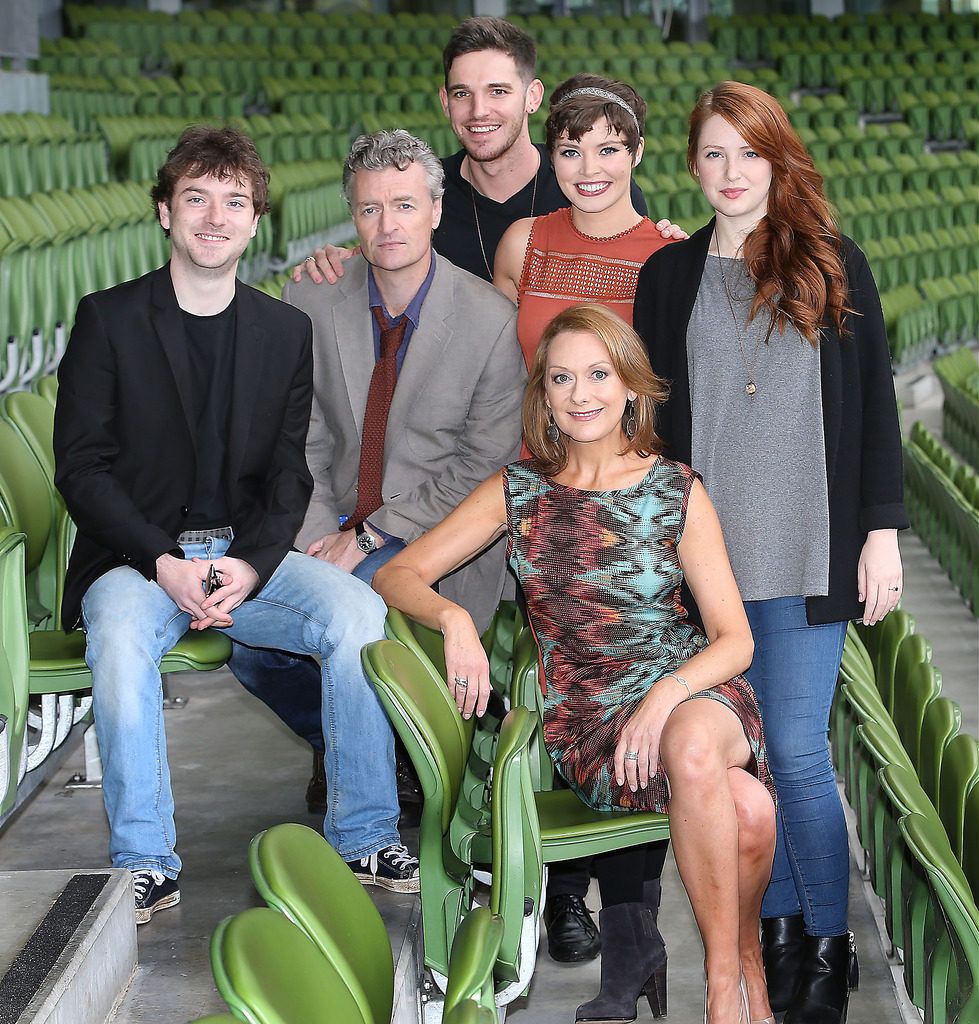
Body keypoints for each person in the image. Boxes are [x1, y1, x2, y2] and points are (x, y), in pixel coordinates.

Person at [53, 126, 418, 924]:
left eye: (234, 201)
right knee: (116, 638)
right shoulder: (106, 320)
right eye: (196, 198)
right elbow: (82, 469)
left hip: (248, 558)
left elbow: (290, 471)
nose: (214, 217)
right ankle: (145, 861)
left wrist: (250, 565)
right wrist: (160, 562)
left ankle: (364, 834)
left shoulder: (284, 330)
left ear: (256, 220)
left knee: (357, 611)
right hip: (136, 559)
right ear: (163, 211)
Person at [374, 304, 779, 1024]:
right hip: (590, 723)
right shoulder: (519, 492)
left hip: (694, 692)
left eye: (598, 374)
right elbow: (398, 574)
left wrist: (661, 702)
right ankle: (747, 968)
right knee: (744, 806)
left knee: (689, 747)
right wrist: (453, 617)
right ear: (545, 396)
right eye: (562, 378)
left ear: (630, 387)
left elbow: (733, 640)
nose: (581, 392)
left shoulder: (674, 488)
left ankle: (719, 991)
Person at [633, 81, 907, 1024]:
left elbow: (874, 404)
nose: (729, 173)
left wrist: (879, 530)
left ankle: (825, 953)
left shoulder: (833, 263)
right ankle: (779, 937)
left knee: (792, 755)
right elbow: (653, 422)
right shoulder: (665, 277)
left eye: (747, 153)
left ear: (776, 158)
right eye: (712, 155)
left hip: (806, 550)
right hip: (705, 568)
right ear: (692, 165)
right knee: (742, 771)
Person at [227, 129, 526, 830]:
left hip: (433, 542)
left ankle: (376, 760)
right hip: (321, 523)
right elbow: (294, 435)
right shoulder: (310, 298)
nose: (386, 225)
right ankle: (352, 743)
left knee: (345, 608)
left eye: (402, 205)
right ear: (351, 216)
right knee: (246, 638)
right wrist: (309, 536)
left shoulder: (488, 319)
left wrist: (365, 537)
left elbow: (480, 466)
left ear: (434, 209)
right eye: (368, 210)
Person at [298, 17, 682, 287]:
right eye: (462, 93)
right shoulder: (422, 192)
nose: (479, 111)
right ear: (445, 102)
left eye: (498, 91)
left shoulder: (589, 186)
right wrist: (342, 264)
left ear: (533, 97)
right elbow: (386, 262)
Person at [492, 72, 675, 369]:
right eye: (571, 152)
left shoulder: (669, 257)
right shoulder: (522, 244)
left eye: (608, 150)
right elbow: (499, 375)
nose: (589, 170)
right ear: (551, 157)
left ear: (637, 152)